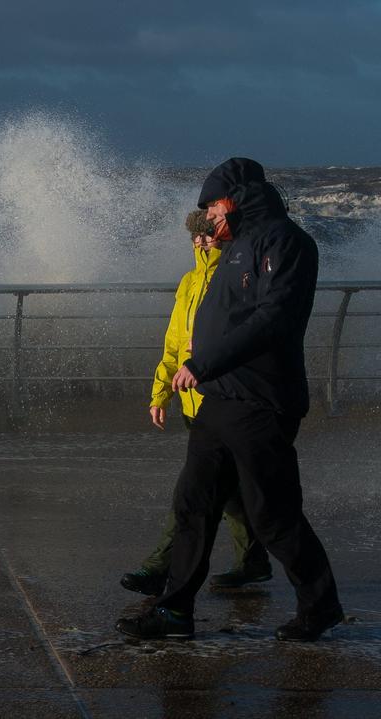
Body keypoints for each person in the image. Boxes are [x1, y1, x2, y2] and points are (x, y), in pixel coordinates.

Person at [117, 158, 343, 642]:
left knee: (273, 515)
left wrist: (202, 364)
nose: (210, 217)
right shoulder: (234, 247)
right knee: (192, 502)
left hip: (262, 401)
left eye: (213, 207)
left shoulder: (287, 242)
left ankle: (320, 604)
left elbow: (273, 318)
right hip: (217, 400)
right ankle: (173, 613)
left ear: (235, 198)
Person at [119, 210, 272, 597]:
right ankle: (254, 562)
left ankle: (160, 569)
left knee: (192, 493)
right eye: (196, 237)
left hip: (223, 398)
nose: (202, 242)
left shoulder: (238, 277)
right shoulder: (189, 281)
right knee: (232, 492)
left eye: (208, 234)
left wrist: (208, 351)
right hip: (192, 401)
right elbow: (174, 343)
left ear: (224, 235)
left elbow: (254, 332)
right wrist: (161, 392)